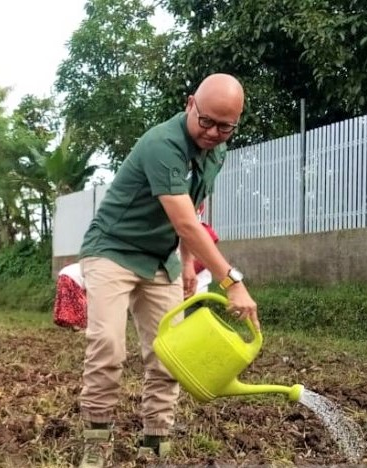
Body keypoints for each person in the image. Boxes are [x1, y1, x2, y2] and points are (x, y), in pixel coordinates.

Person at [75, 73, 258, 467]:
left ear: (236, 123)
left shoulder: (217, 152)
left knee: (168, 354)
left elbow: (194, 206)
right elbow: (187, 223)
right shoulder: (163, 144)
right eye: (206, 120)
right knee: (108, 345)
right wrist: (231, 281)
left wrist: (188, 262)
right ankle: (97, 438)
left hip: (162, 258)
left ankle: (155, 443)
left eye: (225, 127)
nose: (212, 132)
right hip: (113, 249)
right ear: (190, 102)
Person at [53, 262, 87, 331]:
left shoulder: (91, 266)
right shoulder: (96, 274)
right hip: (72, 277)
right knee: (80, 303)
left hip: (63, 274)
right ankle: (78, 325)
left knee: (67, 302)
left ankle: (70, 323)